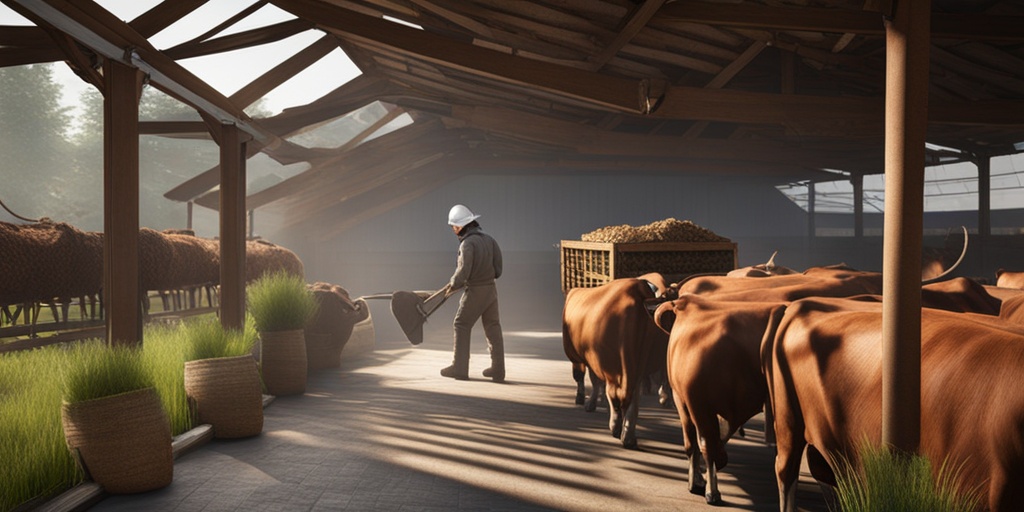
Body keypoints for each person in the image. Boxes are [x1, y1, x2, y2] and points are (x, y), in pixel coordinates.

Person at [440, 204, 505, 382]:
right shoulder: (490, 240)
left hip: (475, 290)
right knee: (493, 327)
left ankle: (460, 368)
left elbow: (463, 272)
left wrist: (453, 284)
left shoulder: (467, 244)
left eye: (454, 226)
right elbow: (498, 270)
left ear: (461, 226)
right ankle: (498, 370)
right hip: (491, 290)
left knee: (461, 324)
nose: (453, 230)